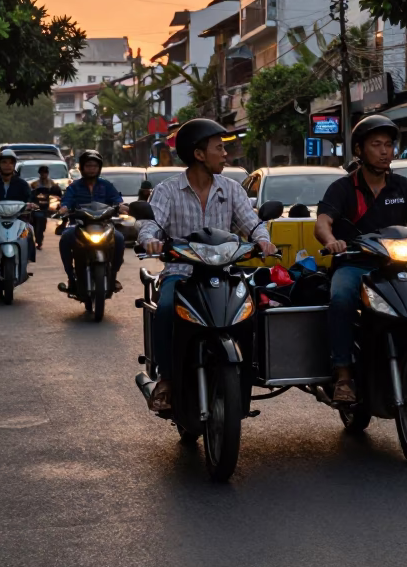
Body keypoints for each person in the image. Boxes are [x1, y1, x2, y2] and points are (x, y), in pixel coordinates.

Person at [314, 115, 407, 404]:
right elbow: (323, 222)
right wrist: (332, 242)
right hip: (355, 264)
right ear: (359, 150)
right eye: (376, 145)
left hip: (395, 265)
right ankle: (343, 375)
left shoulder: (402, 186)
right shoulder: (343, 188)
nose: (384, 151)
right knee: (340, 297)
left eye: (389, 145)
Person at [137, 119, 275, 412]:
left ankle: (244, 376)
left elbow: (252, 224)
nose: (226, 154)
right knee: (164, 309)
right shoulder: (167, 190)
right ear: (199, 154)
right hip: (181, 274)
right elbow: (151, 223)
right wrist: (150, 239)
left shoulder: (232, 189)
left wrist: (263, 240)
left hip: (225, 274)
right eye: (219, 148)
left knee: (253, 309)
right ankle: (167, 380)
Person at [57, 150, 127, 298]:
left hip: (104, 225)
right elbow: (67, 201)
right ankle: (71, 277)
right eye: (88, 165)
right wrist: (64, 208)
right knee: (65, 238)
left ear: (99, 168)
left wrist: (121, 206)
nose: (91, 169)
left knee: (119, 239)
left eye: (95, 166)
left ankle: (113, 276)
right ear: (82, 168)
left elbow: (116, 199)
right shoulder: (74, 186)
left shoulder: (106, 185)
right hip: (79, 225)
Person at [29, 165, 63, 248]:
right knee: (33, 223)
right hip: (35, 206)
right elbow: (29, 194)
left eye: (45, 172)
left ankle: (39, 239)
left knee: (42, 225)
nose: (44, 174)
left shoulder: (52, 184)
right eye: (42, 173)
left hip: (45, 207)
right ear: (39, 174)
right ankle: (36, 239)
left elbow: (58, 194)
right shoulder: (34, 184)